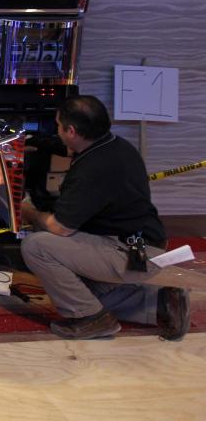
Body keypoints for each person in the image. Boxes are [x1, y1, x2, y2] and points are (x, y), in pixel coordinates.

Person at [21, 95, 190, 341]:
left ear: (72, 130)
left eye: (58, 126)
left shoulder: (92, 171)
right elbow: (67, 147)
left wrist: (27, 212)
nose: (56, 131)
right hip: (145, 242)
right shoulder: (114, 145)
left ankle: (91, 321)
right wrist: (31, 141)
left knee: (37, 246)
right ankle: (161, 302)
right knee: (76, 294)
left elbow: (60, 228)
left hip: (131, 252)